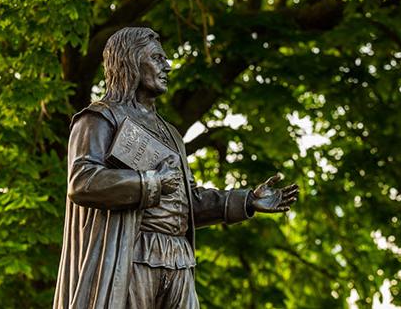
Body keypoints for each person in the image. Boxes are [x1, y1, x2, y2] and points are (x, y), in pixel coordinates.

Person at [53, 27, 299, 309]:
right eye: (157, 58)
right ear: (131, 61)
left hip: (178, 257)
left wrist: (246, 201)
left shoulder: (170, 134)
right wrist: (149, 183)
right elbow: (82, 182)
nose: (167, 66)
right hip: (131, 253)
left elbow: (188, 201)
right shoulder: (101, 118)